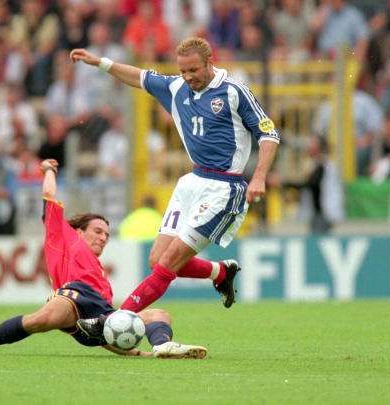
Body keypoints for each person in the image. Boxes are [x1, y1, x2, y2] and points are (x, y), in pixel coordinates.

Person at [70, 36, 279, 335]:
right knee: (157, 259)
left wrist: (257, 177)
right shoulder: (176, 87)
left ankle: (111, 321)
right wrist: (100, 63)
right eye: (183, 71)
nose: (188, 77)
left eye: (193, 70)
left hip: (224, 188)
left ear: (209, 62)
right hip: (192, 182)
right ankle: (221, 271)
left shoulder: (234, 92)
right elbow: (137, 76)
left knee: (167, 262)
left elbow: (269, 134)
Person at [0, 159, 207, 359]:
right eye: (97, 231)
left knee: (160, 314)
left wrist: (136, 353)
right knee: (40, 320)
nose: (103, 237)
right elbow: (49, 195)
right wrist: (49, 170)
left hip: (98, 315)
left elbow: (110, 332)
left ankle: (161, 348)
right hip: (72, 299)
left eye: (107, 235)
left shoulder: (101, 276)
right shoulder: (62, 235)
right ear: (78, 230)